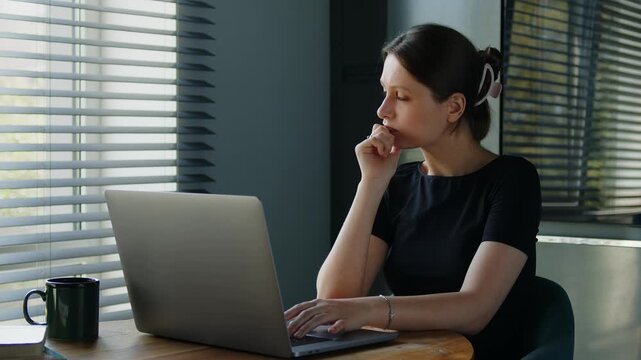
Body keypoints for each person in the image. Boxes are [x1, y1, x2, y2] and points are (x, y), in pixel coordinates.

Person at [285, 23, 541, 359]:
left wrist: (370, 311)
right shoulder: (398, 183)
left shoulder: (512, 180)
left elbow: (474, 309)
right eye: (384, 91)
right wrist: (371, 183)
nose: (383, 110)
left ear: (453, 107)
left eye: (401, 96)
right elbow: (335, 295)